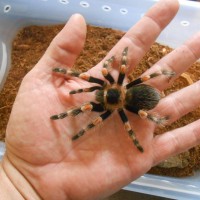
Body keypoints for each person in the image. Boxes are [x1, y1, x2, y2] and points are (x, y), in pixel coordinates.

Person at [0, 0, 200, 199]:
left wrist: (75, 123)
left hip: (136, 98)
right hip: (134, 94)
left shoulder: (110, 102)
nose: (101, 93)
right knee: (137, 91)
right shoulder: (115, 85)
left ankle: (64, 116)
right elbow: (118, 67)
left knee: (132, 105)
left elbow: (120, 109)